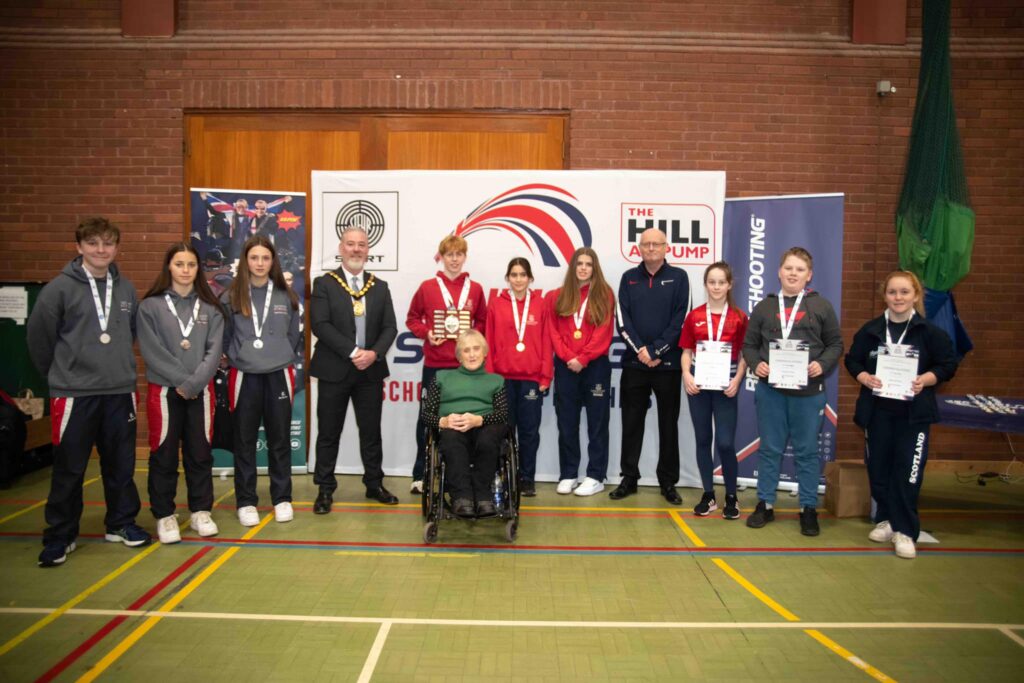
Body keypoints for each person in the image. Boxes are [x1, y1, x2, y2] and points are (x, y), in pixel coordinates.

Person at [27, 217, 151, 567]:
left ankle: (121, 523)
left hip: (119, 391)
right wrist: (61, 376)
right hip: (74, 394)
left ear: (116, 248)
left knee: (121, 464)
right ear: (79, 246)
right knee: (69, 467)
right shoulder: (58, 290)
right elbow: (39, 340)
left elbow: (128, 333)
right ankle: (60, 536)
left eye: (108, 243)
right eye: (93, 243)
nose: (101, 250)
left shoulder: (125, 288)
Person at [845, 270, 957, 559]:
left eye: (905, 292)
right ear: (885, 295)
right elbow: (852, 360)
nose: (898, 297)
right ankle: (885, 519)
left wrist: (926, 380)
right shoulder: (870, 331)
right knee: (879, 468)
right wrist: (864, 378)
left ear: (915, 296)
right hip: (878, 413)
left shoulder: (930, 333)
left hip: (913, 416)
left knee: (908, 471)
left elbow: (948, 364)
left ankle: (905, 530)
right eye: (893, 292)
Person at [742, 246, 843, 536]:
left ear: (809, 275)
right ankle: (765, 504)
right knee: (770, 449)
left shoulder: (821, 306)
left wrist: (821, 365)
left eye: (799, 269)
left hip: (808, 393)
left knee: (807, 452)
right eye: (788, 268)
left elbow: (836, 344)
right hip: (771, 392)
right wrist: (756, 364)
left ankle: (808, 508)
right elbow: (749, 345)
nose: (793, 273)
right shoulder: (765, 307)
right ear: (779, 271)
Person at [137, 242, 224, 543]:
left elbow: (214, 352)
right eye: (179, 264)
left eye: (191, 265)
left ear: (198, 269)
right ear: (169, 267)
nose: (185, 270)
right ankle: (165, 515)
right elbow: (152, 351)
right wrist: (182, 382)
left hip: (201, 391)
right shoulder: (150, 307)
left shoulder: (211, 308)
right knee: (163, 453)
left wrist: (194, 383)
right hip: (164, 391)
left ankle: (201, 511)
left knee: (200, 452)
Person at [309, 226, 399, 513]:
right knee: (328, 432)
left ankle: (374, 484)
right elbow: (320, 325)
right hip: (334, 369)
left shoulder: (380, 286)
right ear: (341, 247)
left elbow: (390, 327)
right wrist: (353, 352)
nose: (356, 249)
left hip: (369, 372)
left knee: (371, 432)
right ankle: (324, 489)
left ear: (368, 250)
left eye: (361, 244)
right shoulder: (324, 284)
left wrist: (374, 354)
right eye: (351, 244)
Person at [221, 236, 302, 526]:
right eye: (254, 258)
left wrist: (279, 353)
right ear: (245, 261)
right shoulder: (230, 296)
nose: (259, 263)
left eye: (265, 258)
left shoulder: (285, 295)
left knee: (280, 439)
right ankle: (246, 501)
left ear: (272, 262)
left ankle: (282, 498)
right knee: (244, 440)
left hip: (278, 373)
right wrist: (239, 355)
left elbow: (294, 336)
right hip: (244, 375)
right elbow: (225, 336)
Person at [612, 228, 690, 504]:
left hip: (668, 366)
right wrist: (642, 352)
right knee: (631, 423)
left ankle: (668, 482)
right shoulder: (628, 278)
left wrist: (657, 350)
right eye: (646, 244)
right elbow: (622, 321)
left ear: (667, 247)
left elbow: (681, 320)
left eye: (656, 244)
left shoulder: (679, 278)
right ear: (639, 248)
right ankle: (629, 478)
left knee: (668, 425)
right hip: (635, 365)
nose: (651, 248)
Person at [405, 235, 487, 495]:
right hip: (435, 366)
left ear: (465, 257)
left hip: (466, 369)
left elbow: (483, 322)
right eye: (449, 254)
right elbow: (412, 318)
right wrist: (427, 333)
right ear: (441, 257)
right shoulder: (427, 287)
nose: (454, 259)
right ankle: (421, 474)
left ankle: (463, 474)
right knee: (428, 419)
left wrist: (471, 339)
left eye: (458, 254)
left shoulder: (475, 289)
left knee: (464, 421)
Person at [679, 262, 749, 519]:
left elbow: (745, 354)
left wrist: (738, 379)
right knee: (702, 439)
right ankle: (708, 495)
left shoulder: (740, 317)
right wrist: (686, 374)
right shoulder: (694, 316)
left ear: (729, 285)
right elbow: (686, 351)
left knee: (725, 443)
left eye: (721, 282)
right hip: (698, 385)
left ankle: (731, 495)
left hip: (725, 386)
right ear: (706, 284)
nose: (717, 287)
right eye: (712, 282)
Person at [546, 247, 615, 497]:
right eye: (579, 263)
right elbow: (553, 332)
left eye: (588, 264)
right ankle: (568, 474)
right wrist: (568, 357)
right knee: (567, 423)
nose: (584, 268)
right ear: (573, 266)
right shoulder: (557, 296)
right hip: (566, 367)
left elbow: (604, 332)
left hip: (594, 366)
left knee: (597, 424)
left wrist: (584, 357)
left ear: (594, 268)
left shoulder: (605, 294)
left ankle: (596, 475)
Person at [420, 330, 508, 518]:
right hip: (453, 427)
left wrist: (479, 420)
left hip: (485, 425)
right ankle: (462, 498)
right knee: (451, 438)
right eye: (466, 350)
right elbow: (426, 416)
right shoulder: (442, 377)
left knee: (490, 436)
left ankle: (483, 496)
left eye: (476, 349)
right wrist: (443, 421)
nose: (472, 354)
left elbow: (502, 414)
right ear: (459, 356)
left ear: (485, 352)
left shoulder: (496, 380)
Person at [485, 257, 552, 497]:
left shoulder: (541, 304)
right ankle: (503, 476)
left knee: (529, 432)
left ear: (530, 278)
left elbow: (546, 341)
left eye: (523, 275)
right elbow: (489, 342)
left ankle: (526, 478)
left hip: (531, 378)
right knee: (503, 430)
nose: (518, 279)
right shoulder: (496, 304)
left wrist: (545, 375)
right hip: (502, 379)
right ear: (507, 278)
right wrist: (491, 378)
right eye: (514, 275)